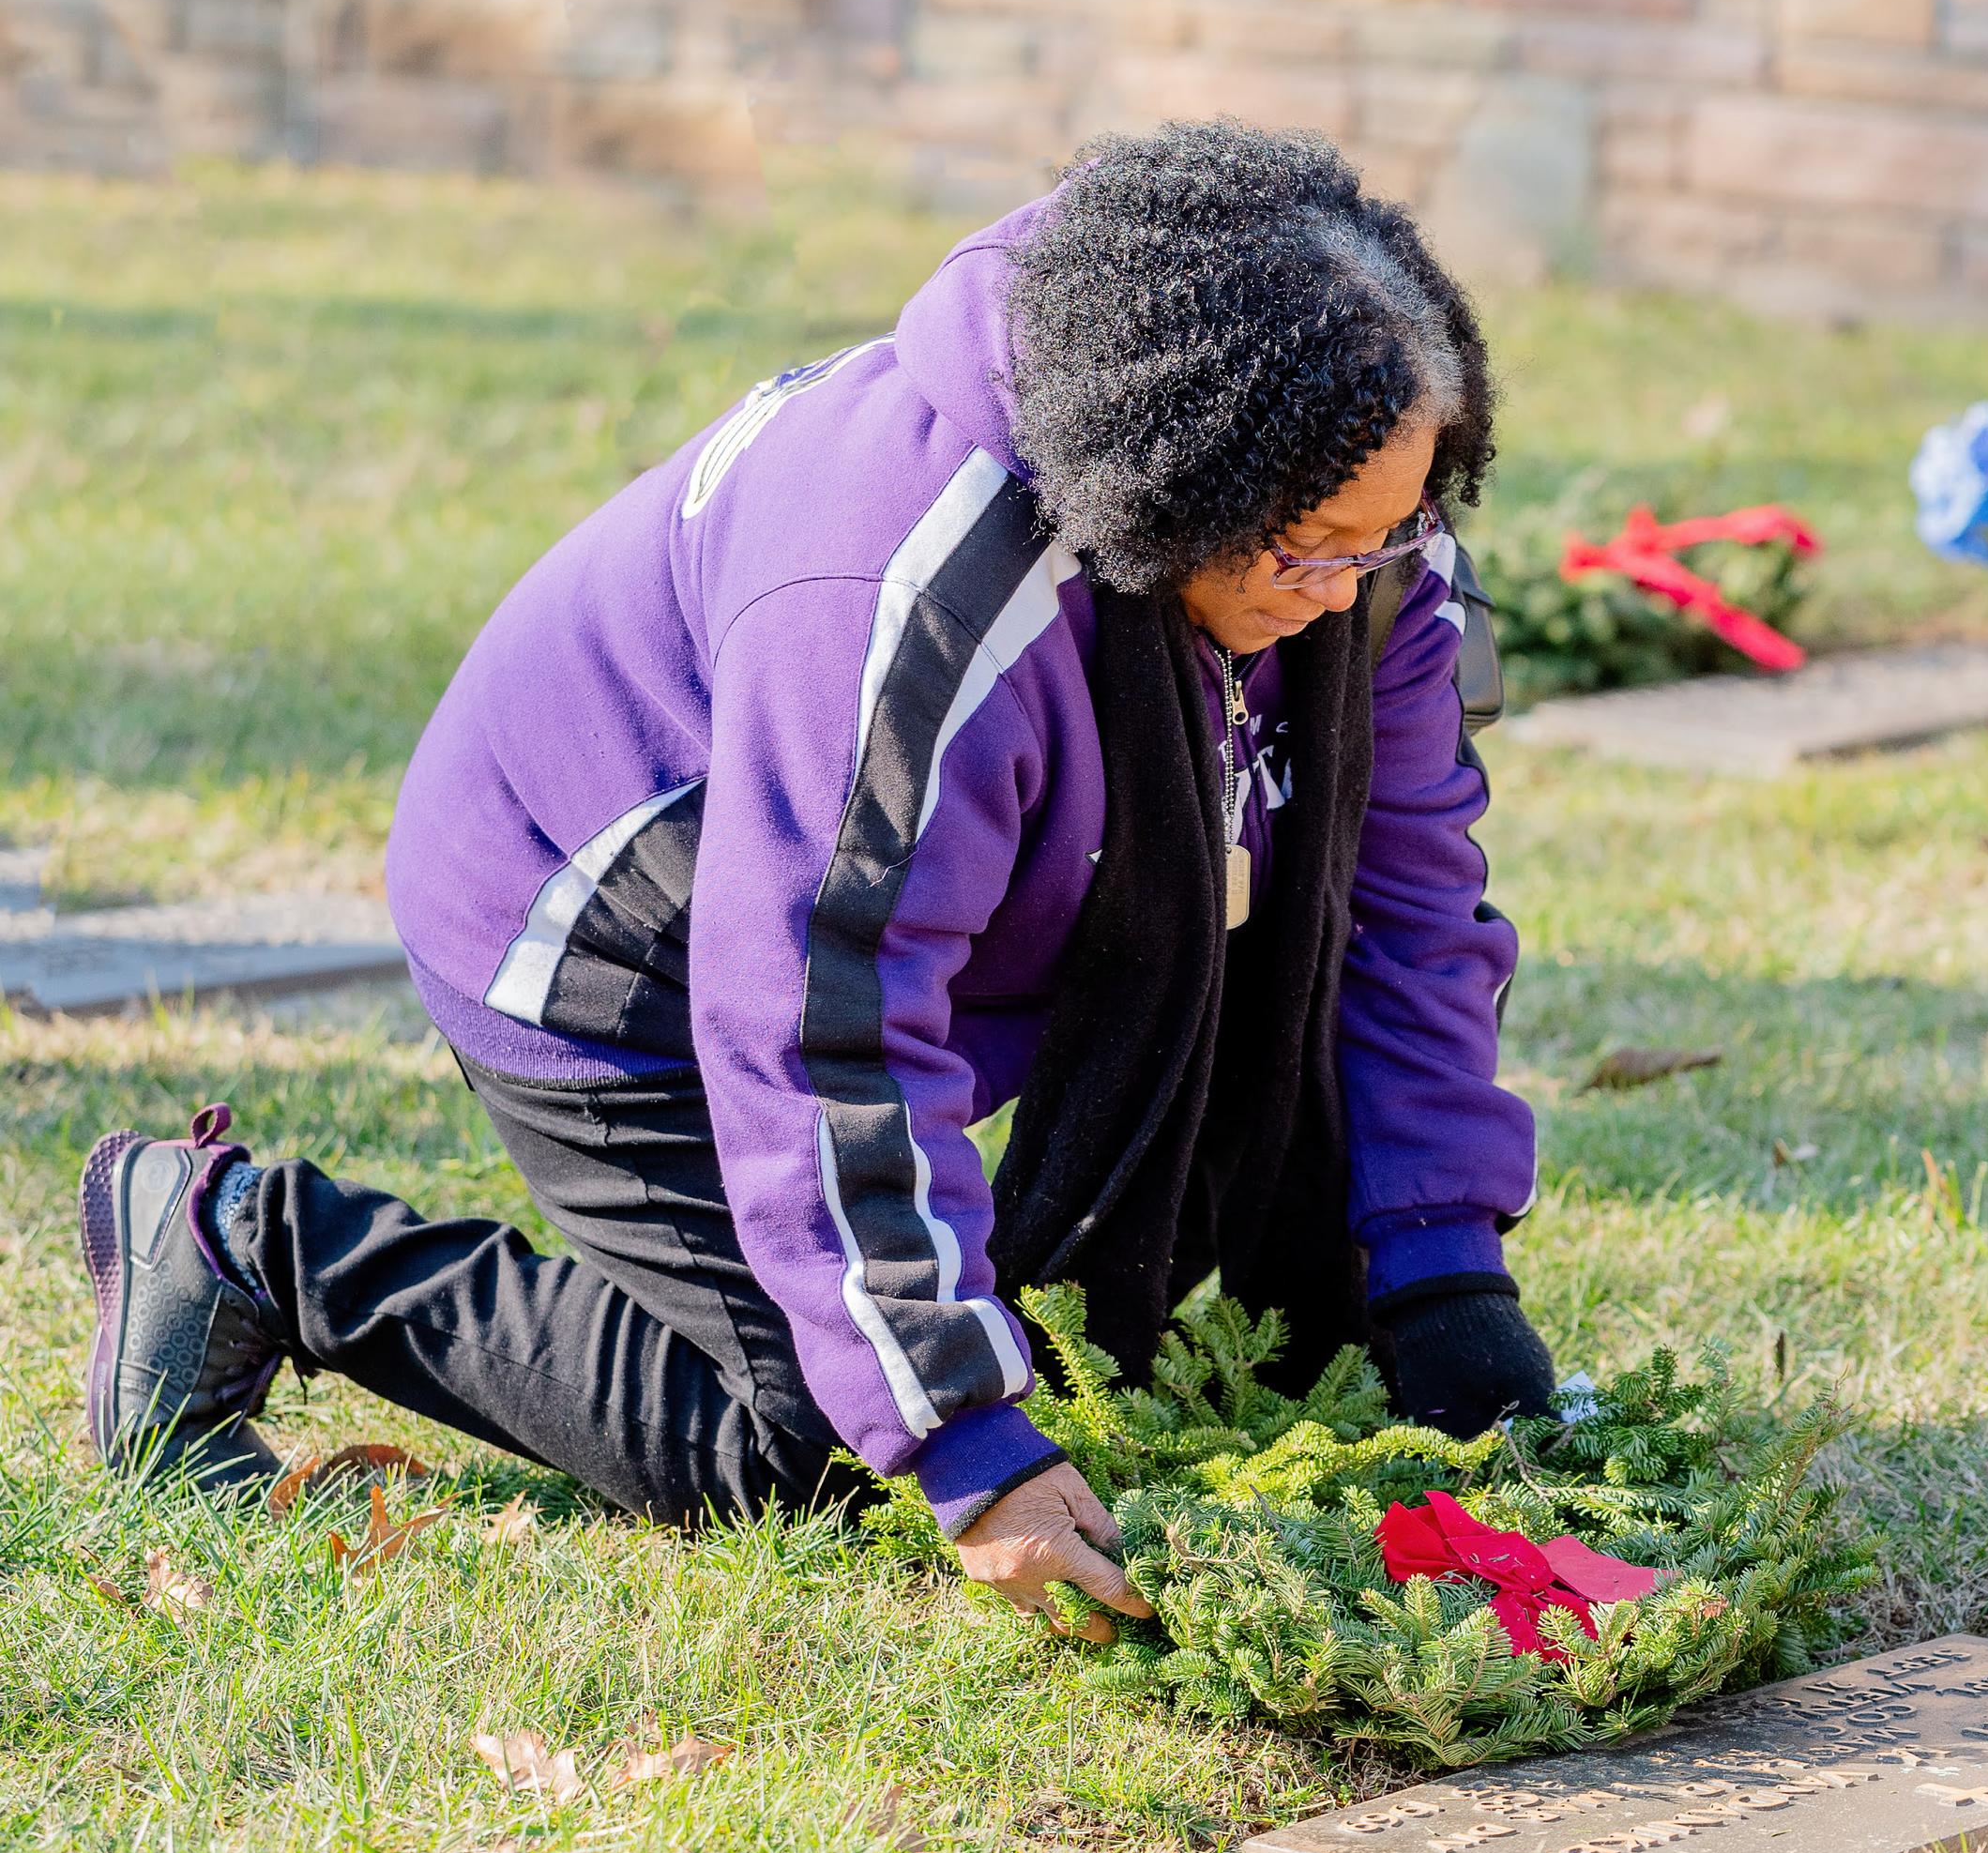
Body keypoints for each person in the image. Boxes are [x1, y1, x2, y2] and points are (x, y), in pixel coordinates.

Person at [77, 121, 1549, 1636]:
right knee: (823, 1450)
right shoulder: (907, 594)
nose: (1339, 598)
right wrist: (963, 1438)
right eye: (1308, 551)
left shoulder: (1367, 549)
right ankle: (247, 1243)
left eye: (1387, 542)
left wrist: (1443, 1278)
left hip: (834, 914)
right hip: (596, 931)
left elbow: (1407, 908)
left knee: (1096, 1334)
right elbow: (823, 1011)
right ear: (1182, 473)